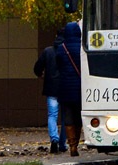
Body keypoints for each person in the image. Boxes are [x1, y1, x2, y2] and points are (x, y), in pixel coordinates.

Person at [55, 22, 83, 157]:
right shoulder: (82, 47)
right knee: (78, 115)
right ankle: (76, 143)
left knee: (68, 115)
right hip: (80, 86)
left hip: (65, 86)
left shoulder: (62, 48)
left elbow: (58, 66)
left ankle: (71, 145)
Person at [34, 40, 65, 154]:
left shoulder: (48, 51)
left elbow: (37, 67)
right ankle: (63, 143)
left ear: (56, 37)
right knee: (66, 117)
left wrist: (41, 74)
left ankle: (54, 139)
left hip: (51, 88)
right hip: (66, 88)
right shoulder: (68, 50)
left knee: (52, 115)